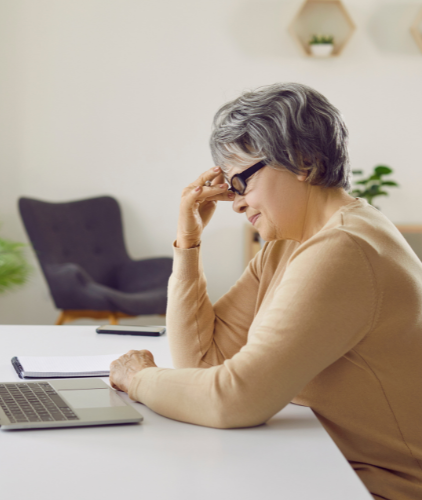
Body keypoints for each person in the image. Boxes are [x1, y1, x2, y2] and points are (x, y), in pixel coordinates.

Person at [109, 83, 422, 500]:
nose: (235, 203)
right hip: (321, 464)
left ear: (303, 163)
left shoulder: (345, 248)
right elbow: (201, 363)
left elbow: (233, 400)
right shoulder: (289, 244)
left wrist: (139, 379)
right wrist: (188, 242)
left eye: (241, 182)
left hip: (376, 487)